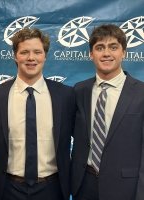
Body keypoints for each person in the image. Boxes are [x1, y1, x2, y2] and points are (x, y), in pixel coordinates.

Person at [0, 28, 75, 200]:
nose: (31, 58)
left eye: (37, 52)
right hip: (8, 188)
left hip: (52, 188)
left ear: (45, 56)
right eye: (24, 52)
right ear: (15, 56)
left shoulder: (65, 95)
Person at [71, 24, 144, 200]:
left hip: (126, 187)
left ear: (124, 52)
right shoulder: (79, 90)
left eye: (113, 47)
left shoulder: (141, 92)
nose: (106, 53)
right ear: (91, 54)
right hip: (84, 185)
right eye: (99, 48)